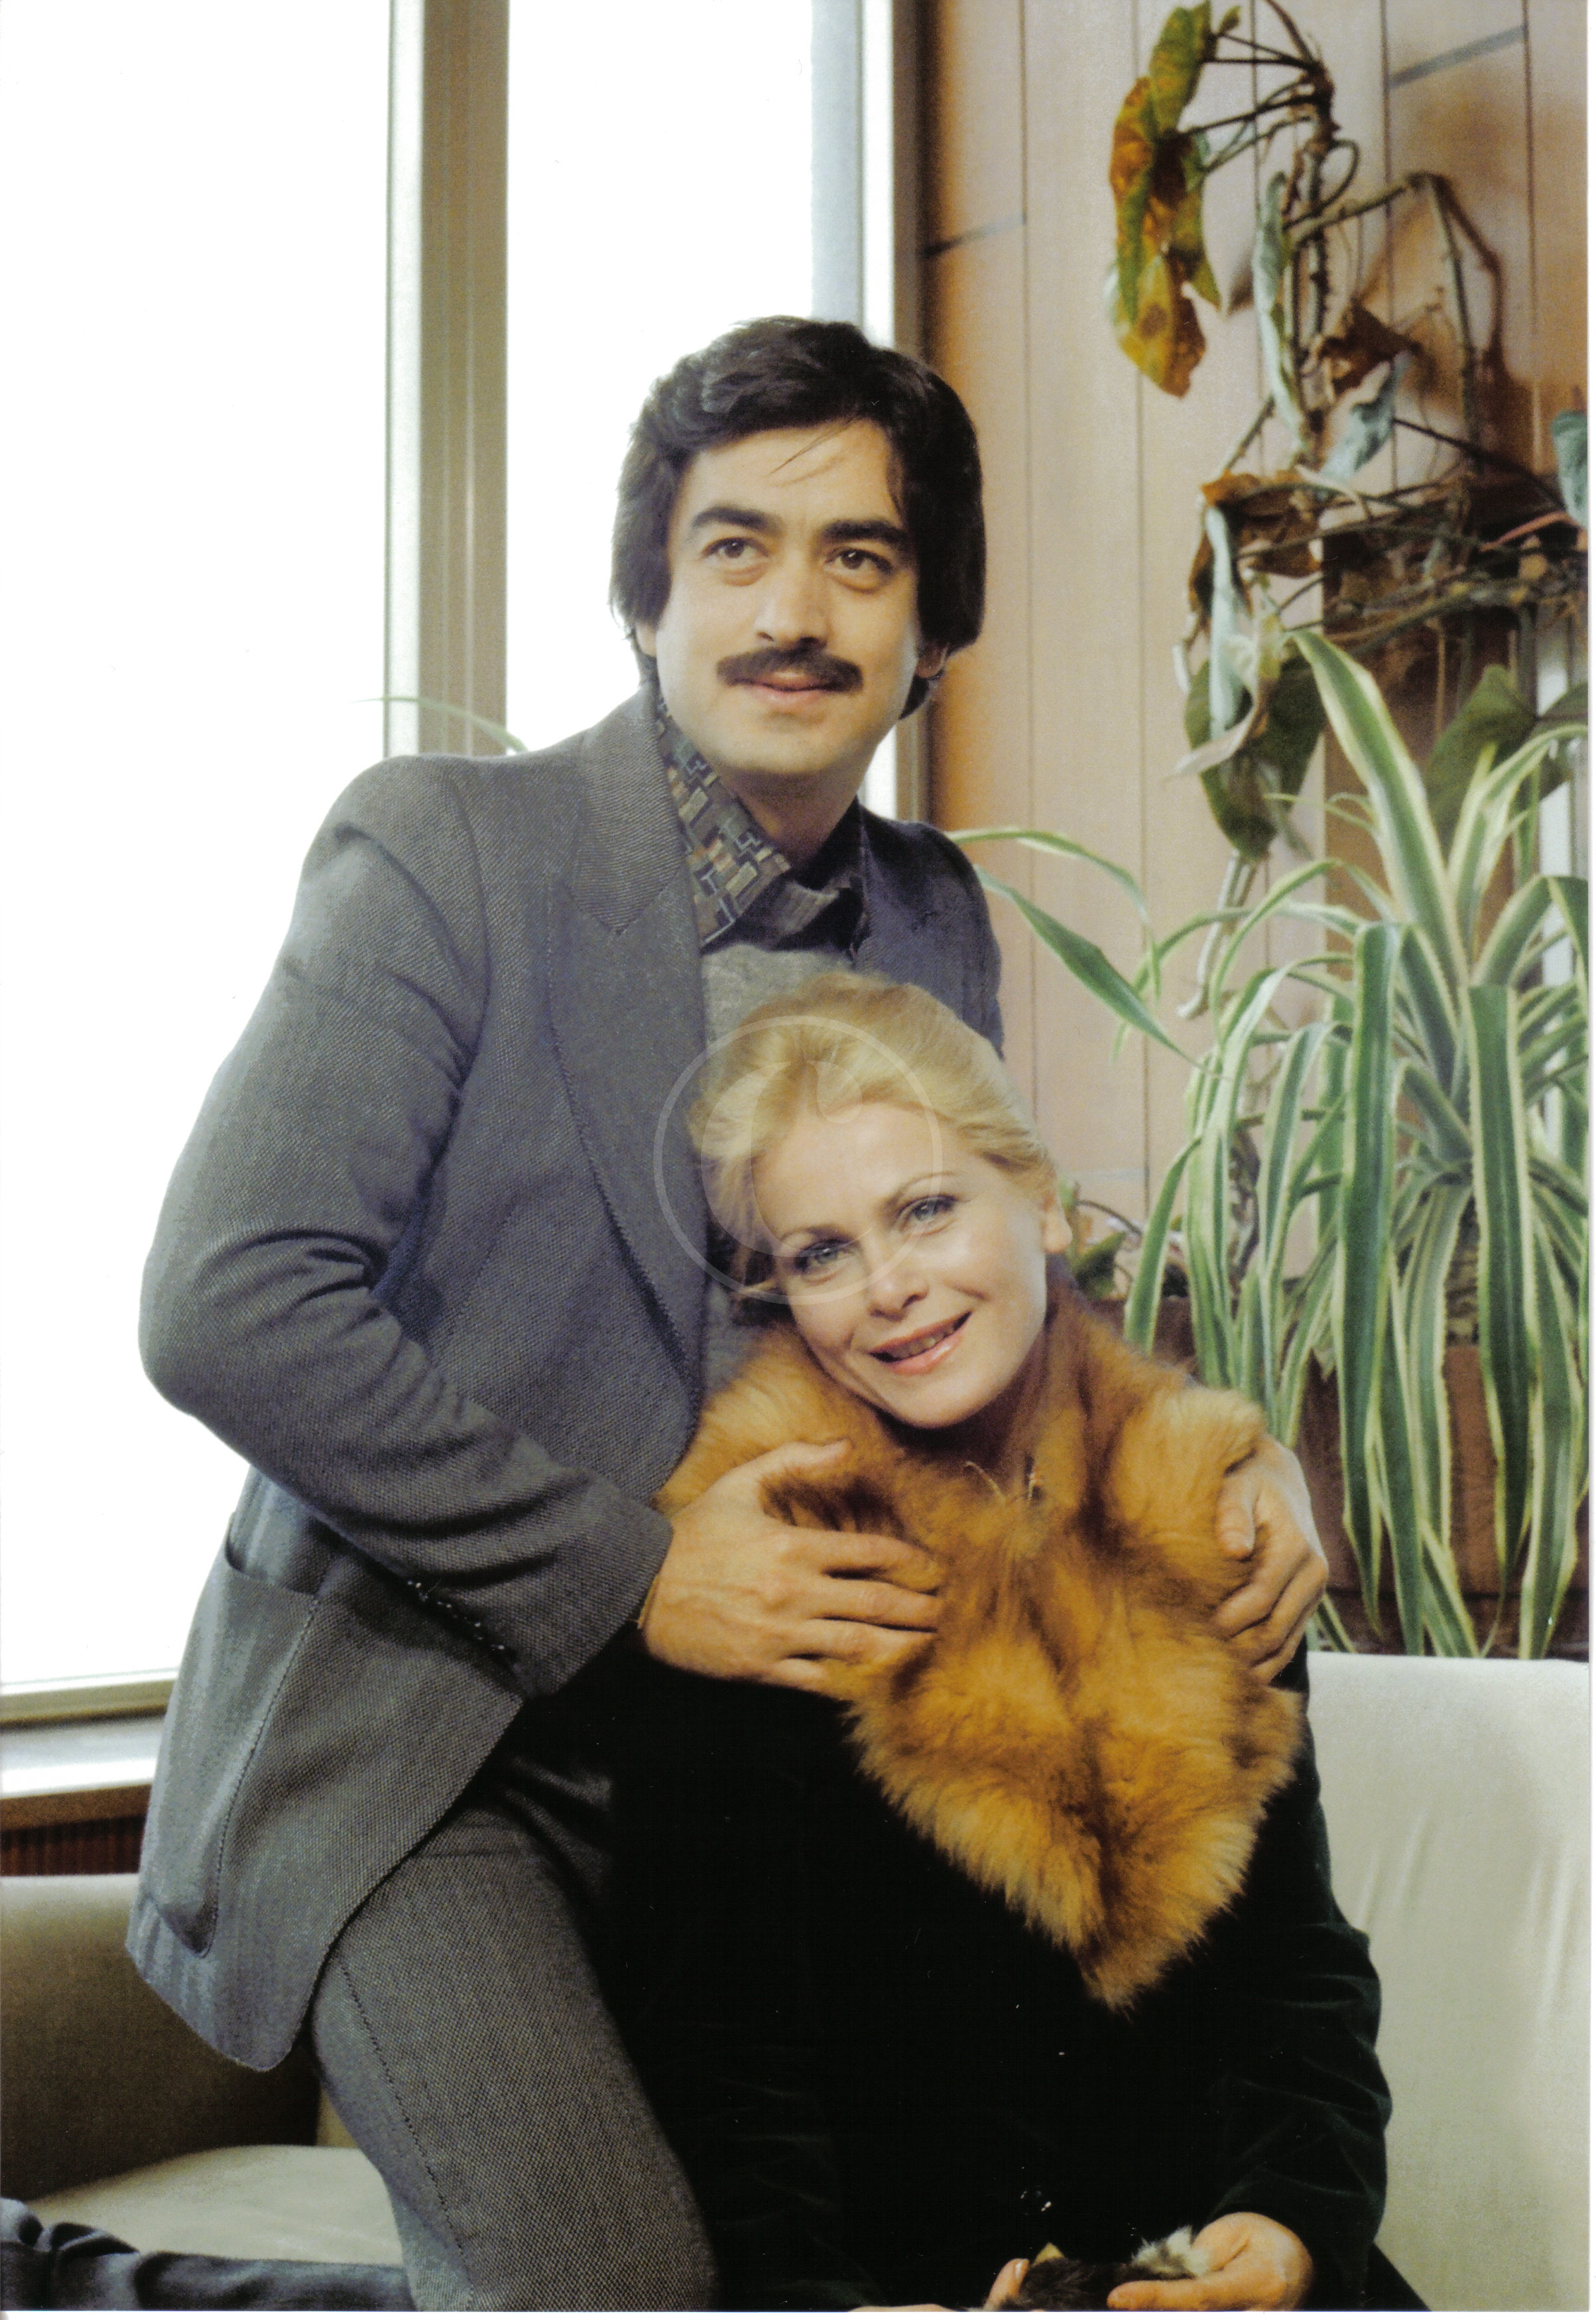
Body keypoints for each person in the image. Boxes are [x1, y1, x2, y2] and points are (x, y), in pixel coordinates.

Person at [130, 318, 1330, 2311]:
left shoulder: (933, 912)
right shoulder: (448, 851)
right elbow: (225, 1303)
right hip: (429, 1749)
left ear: (931, 626)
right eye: (734, 549)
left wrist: (1227, 1448)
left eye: (861, 557)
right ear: (649, 599)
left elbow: (986, 1279)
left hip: (760, 1782)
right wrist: (631, 1570)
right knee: (609, 2287)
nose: (793, 611)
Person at [601, 973, 1402, 2313]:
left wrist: (1289, 2223)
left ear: (1042, 1200)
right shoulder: (761, 1576)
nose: (890, 1288)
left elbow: (1296, 1973)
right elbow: (725, 2060)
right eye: (821, 1253)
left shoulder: (1211, 1519)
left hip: (1219, 2266)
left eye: (925, 1209)